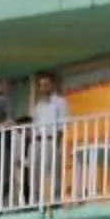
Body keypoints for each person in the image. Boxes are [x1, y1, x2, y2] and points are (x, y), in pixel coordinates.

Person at [27, 71, 69, 205]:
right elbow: (34, 125)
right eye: (41, 85)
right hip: (37, 141)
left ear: (52, 85)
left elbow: (63, 124)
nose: (43, 88)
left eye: (46, 85)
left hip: (51, 140)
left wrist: (57, 143)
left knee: (52, 170)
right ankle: (36, 200)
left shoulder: (60, 102)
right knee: (35, 171)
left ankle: (55, 199)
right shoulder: (38, 106)